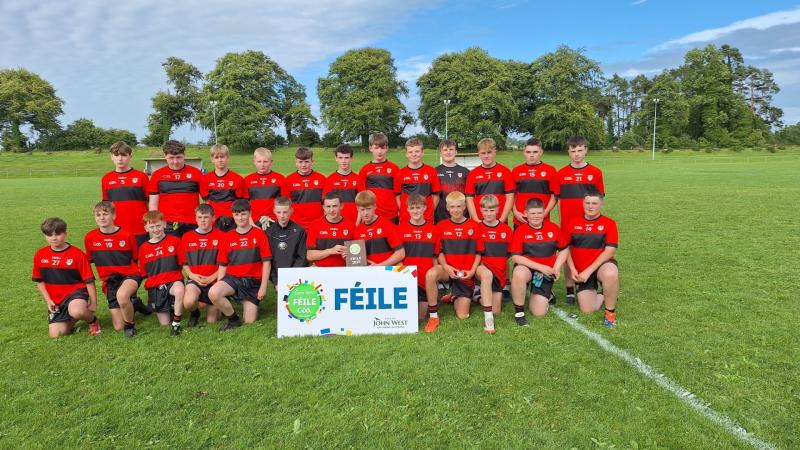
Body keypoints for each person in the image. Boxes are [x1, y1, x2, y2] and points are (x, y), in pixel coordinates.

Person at [423, 192, 484, 333]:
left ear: (464, 207)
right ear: (447, 208)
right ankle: (433, 316)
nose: (455, 210)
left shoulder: (474, 226)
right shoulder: (440, 226)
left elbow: (479, 252)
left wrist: (473, 270)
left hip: (465, 273)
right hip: (447, 270)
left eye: (458, 206)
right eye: (452, 207)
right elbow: (439, 252)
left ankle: (455, 295)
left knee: (462, 315)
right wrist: (446, 266)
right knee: (431, 274)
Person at [555, 136, 605, 305]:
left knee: (590, 251)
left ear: (586, 150)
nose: (576, 154)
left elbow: (599, 200)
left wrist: (596, 220)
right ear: (568, 152)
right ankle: (570, 289)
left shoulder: (595, 172)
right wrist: (561, 222)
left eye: (579, 150)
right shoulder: (561, 173)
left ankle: (593, 282)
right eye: (573, 151)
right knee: (567, 253)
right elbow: (559, 200)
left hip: (588, 222)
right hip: (568, 222)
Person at [208, 199, 272, 331]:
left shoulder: (259, 234)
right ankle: (233, 319)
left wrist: (263, 287)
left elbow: (266, 262)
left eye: (243, 214)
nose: (240, 218)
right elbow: (223, 265)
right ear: (233, 215)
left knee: (250, 321)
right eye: (237, 214)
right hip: (233, 279)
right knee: (214, 293)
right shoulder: (227, 237)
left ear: (249, 214)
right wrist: (220, 284)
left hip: (252, 282)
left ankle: (246, 302)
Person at [33, 217, 102, 338]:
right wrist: (48, 300)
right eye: (49, 235)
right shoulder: (40, 254)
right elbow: (39, 280)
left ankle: (92, 321)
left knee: (77, 311)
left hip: (75, 293)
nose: (54, 238)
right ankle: (71, 316)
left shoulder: (77, 254)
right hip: (56, 299)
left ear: (65, 233)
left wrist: (93, 303)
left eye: (58, 234)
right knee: (57, 334)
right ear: (44, 236)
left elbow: (89, 281)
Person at [559, 190, 619, 327]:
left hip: (601, 265)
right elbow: (566, 249)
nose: (590, 206)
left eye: (594, 203)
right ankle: (607, 292)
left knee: (610, 273)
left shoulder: (609, 223)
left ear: (601, 205)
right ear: (583, 203)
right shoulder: (572, 223)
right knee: (588, 309)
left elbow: (609, 251)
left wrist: (589, 271)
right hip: (581, 270)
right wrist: (573, 269)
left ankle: (610, 314)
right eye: (587, 203)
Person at [83, 201, 140, 336]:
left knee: (122, 295)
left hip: (129, 275)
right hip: (110, 281)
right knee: (118, 327)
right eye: (98, 215)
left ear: (113, 216)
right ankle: (134, 303)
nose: (101, 217)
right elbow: (90, 259)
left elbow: (135, 259)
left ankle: (130, 325)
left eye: (105, 214)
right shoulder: (90, 237)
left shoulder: (126, 235)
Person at [510, 198, 569, 320]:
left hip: (546, 273)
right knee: (519, 273)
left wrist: (556, 267)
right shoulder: (520, 230)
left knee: (538, 312)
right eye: (532, 213)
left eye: (539, 213)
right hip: (528, 269)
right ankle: (519, 313)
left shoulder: (553, 228)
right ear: (526, 213)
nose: (536, 216)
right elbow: (515, 257)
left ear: (544, 212)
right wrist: (541, 267)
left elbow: (564, 249)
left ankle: (547, 294)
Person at [139, 210, 185, 336]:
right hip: (156, 286)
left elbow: (182, 264)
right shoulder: (143, 248)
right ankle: (168, 304)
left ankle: (176, 323)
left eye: (158, 225)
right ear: (146, 228)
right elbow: (144, 274)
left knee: (179, 290)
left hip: (173, 281)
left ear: (164, 224)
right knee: (164, 324)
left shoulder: (175, 241)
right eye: (152, 227)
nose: (156, 229)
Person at [180, 204, 225, 328]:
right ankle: (195, 313)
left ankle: (218, 302)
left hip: (215, 280)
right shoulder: (187, 237)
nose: (202, 220)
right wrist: (191, 275)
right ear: (195, 218)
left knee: (212, 320)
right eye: (199, 217)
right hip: (195, 279)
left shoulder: (222, 236)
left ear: (213, 218)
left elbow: (226, 264)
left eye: (206, 217)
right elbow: (184, 262)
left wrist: (212, 277)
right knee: (188, 303)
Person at [148, 140, 203, 237]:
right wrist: (155, 223)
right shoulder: (157, 175)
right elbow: (153, 203)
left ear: (184, 155)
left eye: (179, 157)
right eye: (171, 158)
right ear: (165, 156)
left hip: (192, 222)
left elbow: (207, 200)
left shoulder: (196, 173)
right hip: (167, 223)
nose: (175, 161)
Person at [474, 195, 512, 332]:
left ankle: (476, 295)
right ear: (480, 210)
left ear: (498, 210)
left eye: (492, 210)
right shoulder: (476, 228)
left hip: (499, 273)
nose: (489, 213)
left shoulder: (506, 230)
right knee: (487, 275)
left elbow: (508, 256)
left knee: (496, 310)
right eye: (485, 210)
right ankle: (488, 319)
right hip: (482, 269)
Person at [398, 193, 439, 321]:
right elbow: (398, 258)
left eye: (418, 207)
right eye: (412, 208)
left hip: (425, 281)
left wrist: (435, 281)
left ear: (425, 208)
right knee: (408, 318)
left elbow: (435, 258)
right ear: (407, 209)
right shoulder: (400, 229)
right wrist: (404, 275)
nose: (415, 211)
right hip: (408, 279)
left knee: (420, 318)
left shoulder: (433, 230)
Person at [101, 141, 149, 246]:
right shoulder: (106, 178)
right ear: (111, 157)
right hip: (116, 229)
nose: (120, 159)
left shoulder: (142, 177)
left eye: (123, 155)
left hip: (140, 229)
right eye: (116, 155)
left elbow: (150, 203)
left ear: (130, 157)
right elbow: (106, 206)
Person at [465, 137, 515, 223]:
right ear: (479, 154)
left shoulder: (505, 172)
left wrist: (502, 220)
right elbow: (469, 199)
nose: (486, 156)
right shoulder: (473, 174)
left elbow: (510, 198)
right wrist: (476, 220)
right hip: (479, 221)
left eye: (489, 152)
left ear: (495, 152)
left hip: (500, 220)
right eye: (483, 153)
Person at [511, 138, 557, 226]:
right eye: (528, 152)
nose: (531, 155)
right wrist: (515, 212)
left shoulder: (550, 170)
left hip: (542, 220)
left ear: (541, 152)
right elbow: (511, 196)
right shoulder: (516, 170)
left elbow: (554, 197)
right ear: (524, 152)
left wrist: (544, 213)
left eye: (535, 152)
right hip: (521, 219)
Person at [200, 144, 245, 232]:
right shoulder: (205, 179)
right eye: (216, 157)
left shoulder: (238, 179)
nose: (220, 160)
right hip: (213, 220)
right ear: (212, 159)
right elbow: (206, 202)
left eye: (222, 157)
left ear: (228, 157)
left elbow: (240, 203)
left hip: (233, 220)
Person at [395, 138, 440, 224]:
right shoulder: (400, 173)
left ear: (422, 152)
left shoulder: (431, 171)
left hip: (426, 218)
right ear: (406, 154)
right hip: (407, 219)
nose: (414, 154)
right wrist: (404, 211)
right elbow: (397, 196)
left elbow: (436, 196)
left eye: (417, 151)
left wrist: (429, 212)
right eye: (410, 152)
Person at [354, 190, 405, 266]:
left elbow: (400, 253)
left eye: (368, 208)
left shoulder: (387, 225)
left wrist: (379, 266)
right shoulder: (357, 231)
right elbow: (359, 260)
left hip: (387, 270)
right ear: (357, 209)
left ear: (375, 206)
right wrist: (349, 257)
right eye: (362, 209)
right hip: (369, 271)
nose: (365, 213)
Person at [265, 197, 308, 286]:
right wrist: (276, 282)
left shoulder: (299, 231)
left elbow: (302, 257)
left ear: (291, 211)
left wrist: (292, 277)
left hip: (295, 277)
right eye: (279, 212)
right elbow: (268, 260)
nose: (282, 216)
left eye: (285, 212)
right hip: (277, 279)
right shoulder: (268, 232)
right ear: (274, 211)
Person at [358, 133, 399, 224]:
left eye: (382, 148)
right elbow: (361, 198)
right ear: (370, 148)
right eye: (376, 148)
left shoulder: (394, 168)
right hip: (372, 215)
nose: (379, 151)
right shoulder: (365, 169)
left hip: (391, 214)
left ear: (387, 148)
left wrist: (400, 211)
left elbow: (398, 194)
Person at [281, 147, 326, 231]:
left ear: (312, 162)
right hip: (295, 225)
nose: (303, 165)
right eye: (300, 162)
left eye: (306, 161)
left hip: (317, 224)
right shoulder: (288, 180)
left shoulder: (322, 179)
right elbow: (285, 206)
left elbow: (326, 204)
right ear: (296, 162)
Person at [306, 193, 355, 267]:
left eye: (335, 206)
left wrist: (349, 256)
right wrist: (330, 251)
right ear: (323, 207)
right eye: (328, 206)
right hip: (320, 269)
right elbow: (309, 256)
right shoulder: (315, 225)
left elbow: (356, 254)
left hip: (344, 269)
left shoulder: (351, 225)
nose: (331, 210)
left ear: (341, 206)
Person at [244, 147, 285, 227]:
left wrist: (279, 220)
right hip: (254, 222)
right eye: (259, 161)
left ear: (271, 162)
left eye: (265, 161)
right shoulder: (247, 180)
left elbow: (284, 204)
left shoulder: (280, 179)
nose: (262, 165)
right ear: (254, 162)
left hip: (275, 221)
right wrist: (250, 222)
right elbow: (245, 205)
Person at [323, 144, 362, 222]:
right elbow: (326, 205)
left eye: (346, 158)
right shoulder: (330, 180)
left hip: (354, 222)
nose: (343, 161)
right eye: (340, 158)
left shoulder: (358, 179)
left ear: (351, 158)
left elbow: (362, 204)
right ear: (336, 158)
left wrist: (357, 223)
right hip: (336, 222)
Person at [434, 139, 470, 223]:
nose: (448, 152)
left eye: (451, 149)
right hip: (441, 218)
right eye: (445, 150)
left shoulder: (466, 172)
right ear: (440, 153)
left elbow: (469, 197)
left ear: (456, 152)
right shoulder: (434, 172)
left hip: (462, 218)